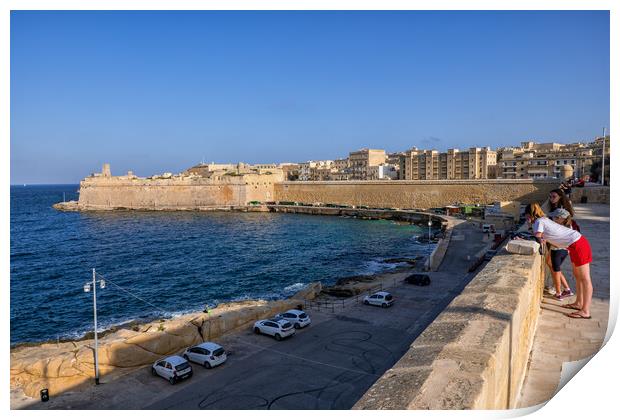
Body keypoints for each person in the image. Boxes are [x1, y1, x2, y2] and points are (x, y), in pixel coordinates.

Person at [524, 203, 593, 319]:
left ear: (529, 215)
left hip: (578, 245)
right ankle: (579, 303)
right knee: (577, 276)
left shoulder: (539, 222)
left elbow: (538, 238)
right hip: (575, 244)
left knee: (585, 279)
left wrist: (529, 225)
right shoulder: (543, 219)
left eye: (526, 216)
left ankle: (585, 311)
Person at [546, 208, 575, 300]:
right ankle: (567, 289)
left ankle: (559, 294)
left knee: (556, 271)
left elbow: (556, 241)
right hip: (565, 251)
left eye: (555, 217)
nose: (553, 219)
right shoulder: (569, 226)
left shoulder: (559, 228)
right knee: (553, 267)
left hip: (557, 251)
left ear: (561, 218)